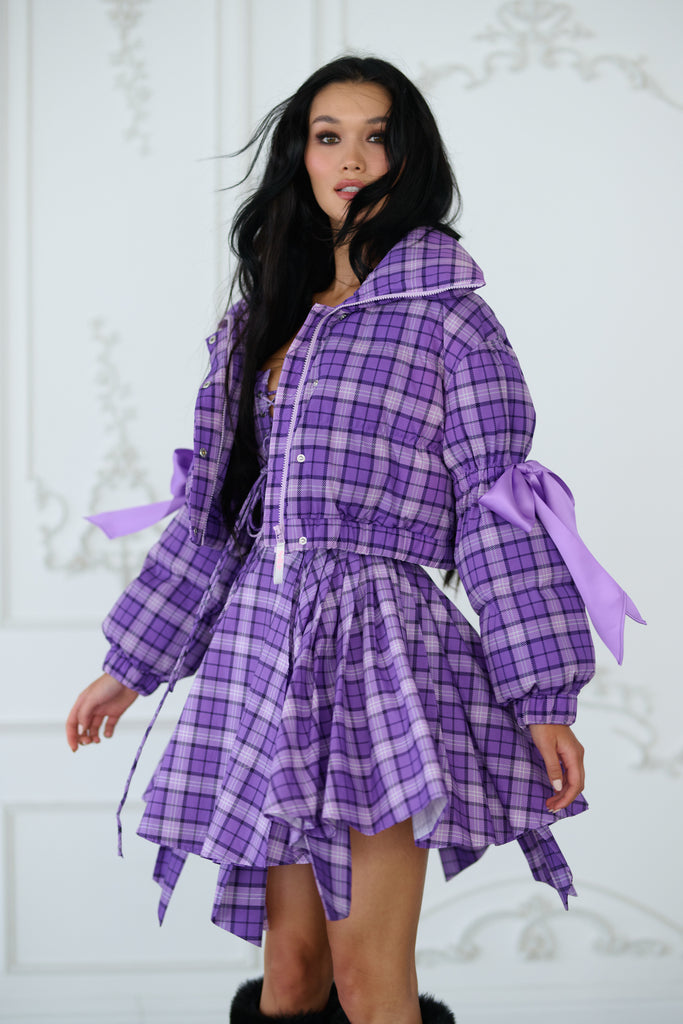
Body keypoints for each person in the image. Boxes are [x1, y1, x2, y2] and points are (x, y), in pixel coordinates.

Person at [65, 56, 643, 1024]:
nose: (352, 158)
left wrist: (543, 696)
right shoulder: (257, 322)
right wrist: (132, 664)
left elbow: (498, 512)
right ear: (299, 155)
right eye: (328, 136)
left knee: (369, 975)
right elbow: (217, 516)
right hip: (262, 653)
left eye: (377, 137)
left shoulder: (452, 323)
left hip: (381, 656)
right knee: (291, 973)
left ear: (408, 157)